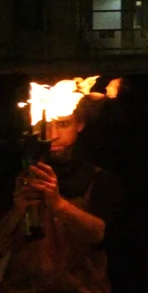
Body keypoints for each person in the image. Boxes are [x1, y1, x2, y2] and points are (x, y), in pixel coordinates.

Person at [0, 97, 122, 293]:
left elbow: (104, 236)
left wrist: (58, 205)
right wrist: (16, 212)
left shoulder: (99, 180)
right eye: (46, 125)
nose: (53, 135)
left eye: (63, 124)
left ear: (79, 124)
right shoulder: (18, 177)